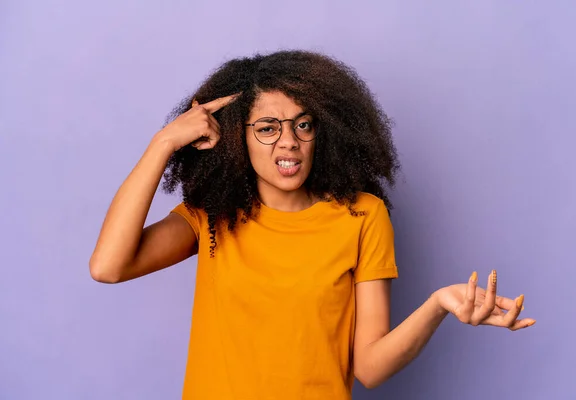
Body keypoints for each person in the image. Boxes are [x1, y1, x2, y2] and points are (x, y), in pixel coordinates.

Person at [89, 50, 535, 399]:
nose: (289, 141)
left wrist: (438, 304)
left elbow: (371, 368)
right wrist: (164, 142)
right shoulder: (213, 214)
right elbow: (108, 267)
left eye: (304, 125)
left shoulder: (362, 216)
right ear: (235, 136)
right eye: (267, 127)